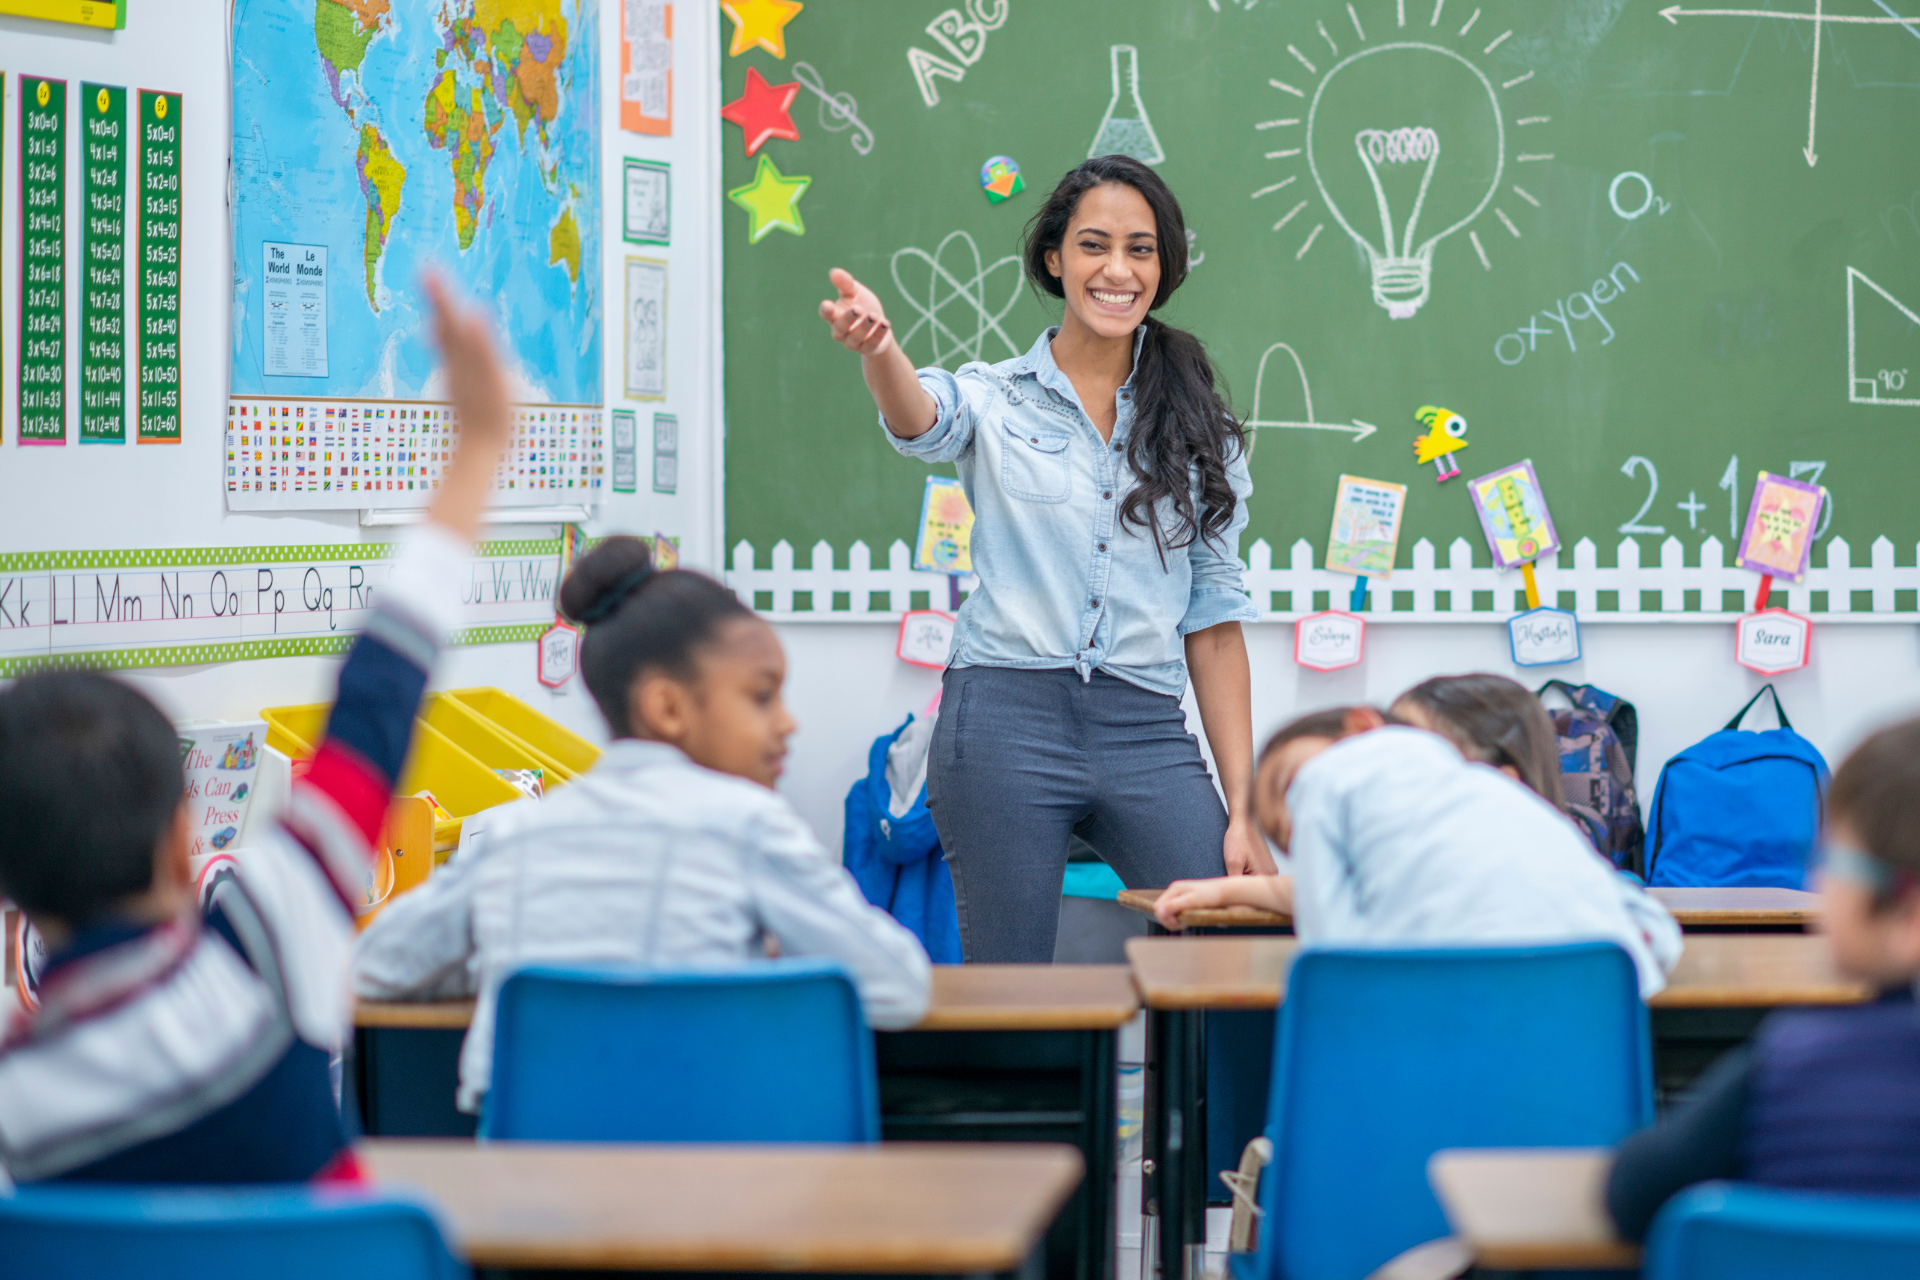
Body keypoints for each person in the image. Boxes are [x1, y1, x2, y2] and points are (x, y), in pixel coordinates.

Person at [0, 276, 511, 1184]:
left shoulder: (22, 1098)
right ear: (183, 839)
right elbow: (377, 703)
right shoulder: (268, 948)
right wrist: (476, 450)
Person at [817, 154, 1265, 963]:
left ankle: (1201, 1099)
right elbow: (921, 417)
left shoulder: (1203, 428)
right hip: (1003, 718)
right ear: (1055, 257)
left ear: (1164, 268)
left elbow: (1215, 622)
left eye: (1142, 249)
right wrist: (878, 348)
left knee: (1232, 941)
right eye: (1094, 245)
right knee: (1010, 978)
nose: (1117, 270)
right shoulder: (995, 396)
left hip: (1145, 727)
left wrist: (1244, 806)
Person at [352, 537, 933, 1115]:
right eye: (761, 697)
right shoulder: (749, 826)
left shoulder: (515, 834)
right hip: (706, 1164)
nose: (787, 723)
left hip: (531, 1180)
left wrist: (500, 964)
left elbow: (373, 966)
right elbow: (899, 987)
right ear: (668, 709)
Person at [1606, 716, 1920, 1240]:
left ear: (1909, 911)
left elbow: (1631, 1195)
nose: (1815, 879)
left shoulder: (1795, 1060)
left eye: (1831, 858)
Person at [1153, 706, 1673, 997]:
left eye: (1289, 783)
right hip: (1602, 990)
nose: (1293, 816)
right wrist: (1234, 888)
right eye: (1286, 837)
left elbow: (1335, 950)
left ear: (1361, 727)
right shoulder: (1479, 791)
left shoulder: (1332, 781)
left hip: (1466, 1012)